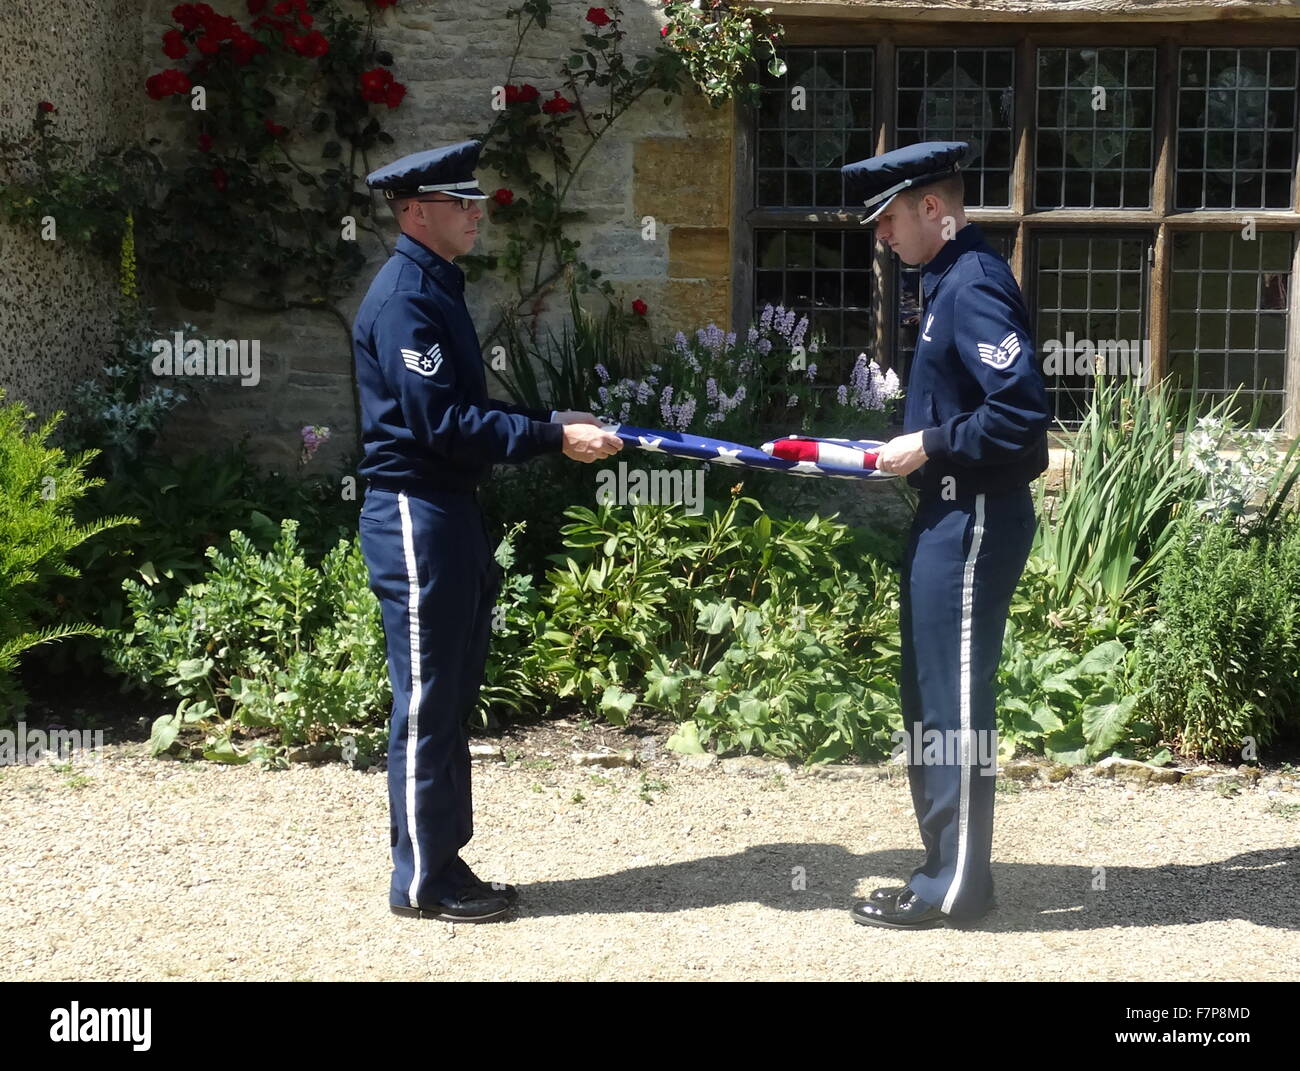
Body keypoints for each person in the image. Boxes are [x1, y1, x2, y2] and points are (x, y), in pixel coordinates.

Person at [352, 140, 622, 923]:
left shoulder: (434, 288)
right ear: (415, 211)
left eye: (474, 199)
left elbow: (462, 413)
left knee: (450, 692)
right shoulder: (407, 297)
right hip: (416, 510)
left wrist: (548, 419)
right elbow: (443, 425)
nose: (476, 211)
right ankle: (419, 881)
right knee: (427, 698)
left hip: (448, 509)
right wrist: (549, 438)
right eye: (458, 201)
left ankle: (443, 857)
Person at [842, 142, 1051, 929]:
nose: (881, 236)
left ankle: (957, 886)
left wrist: (928, 445)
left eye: (890, 218)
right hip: (949, 513)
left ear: (935, 207)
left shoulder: (973, 286)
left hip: (976, 517)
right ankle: (945, 868)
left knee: (955, 704)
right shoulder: (944, 281)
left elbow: (1024, 409)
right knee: (932, 698)